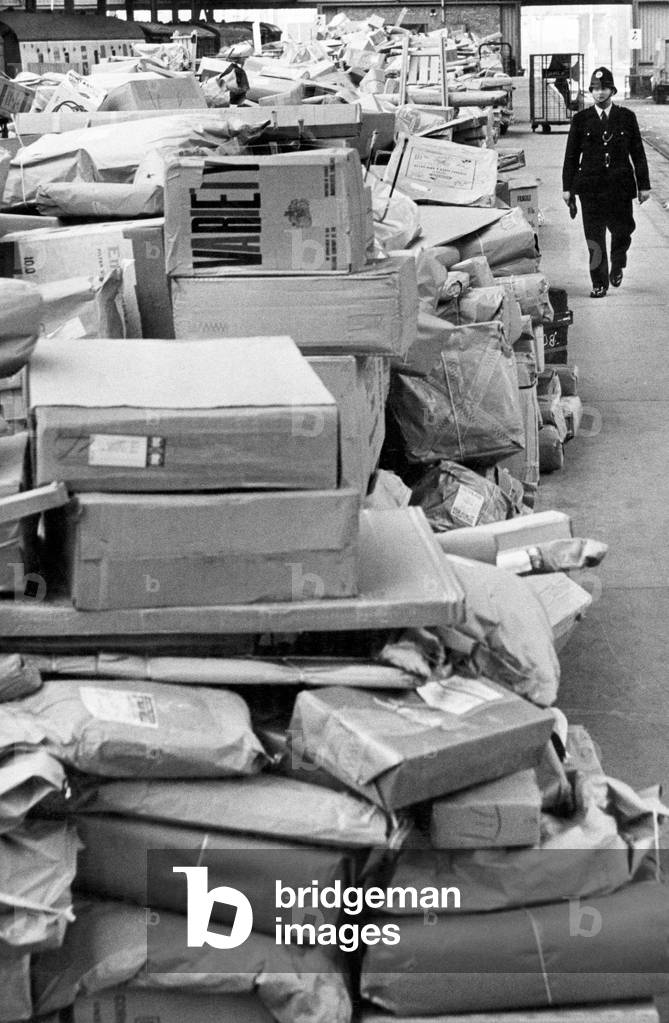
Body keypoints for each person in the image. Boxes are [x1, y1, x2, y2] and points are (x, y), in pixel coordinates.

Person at [562, 66, 651, 298]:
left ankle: (618, 262)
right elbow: (571, 156)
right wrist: (567, 188)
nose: (600, 93)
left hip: (620, 188)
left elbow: (638, 153)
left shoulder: (626, 117)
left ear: (612, 90)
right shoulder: (581, 120)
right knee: (594, 238)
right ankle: (599, 283)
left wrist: (644, 185)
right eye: (595, 89)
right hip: (590, 189)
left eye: (604, 89)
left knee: (622, 230)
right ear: (591, 91)